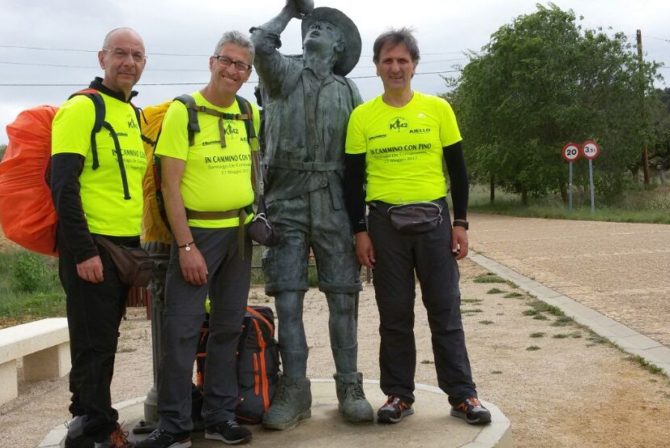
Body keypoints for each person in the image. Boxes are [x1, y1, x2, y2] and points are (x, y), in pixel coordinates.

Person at [344, 28, 492, 426]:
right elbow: (352, 180)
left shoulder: (439, 109)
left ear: (414, 66)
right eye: (388, 60)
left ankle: (463, 395)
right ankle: (398, 394)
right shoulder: (362, 117)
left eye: (403, 61)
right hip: (384, 224)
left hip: (435, 221)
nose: (396, 68)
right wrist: (360, 231)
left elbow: (458, 172)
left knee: (445, 311)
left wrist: (460, 223)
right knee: (394, 314)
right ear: (376, 67)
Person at [250, 1, 373, 430]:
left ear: (339, 46)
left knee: (344, 297)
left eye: (324, 27)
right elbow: (260, 43)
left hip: (335, 201)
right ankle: (294, 389)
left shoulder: (349, 90)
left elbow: (360, 159)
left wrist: (363, 220)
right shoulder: (283, 75)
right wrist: (289, 10)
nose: (314, 29)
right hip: (286, 202)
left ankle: (349, 386)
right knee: (288, 300)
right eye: (312, 25)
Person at [137, 31, 259, 448]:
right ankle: (173, 426)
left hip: (239, 235)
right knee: (182, 331)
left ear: (248, 73)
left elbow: (253, 170)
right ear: (212, 61)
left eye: (241, 65)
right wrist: (185, 245)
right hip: (197, 235)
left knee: (227, 327)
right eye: (226, 60)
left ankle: (220, 415)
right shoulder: (183, 111)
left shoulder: (249, 112)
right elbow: (169, 187)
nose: (232, 69)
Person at [51, 28, 147, 448]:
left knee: (105, 340)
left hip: (128, 245)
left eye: (137, 56)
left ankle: (96, 424)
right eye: (120, 54)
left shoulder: (134, 114)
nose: (129, 62)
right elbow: (62, 186)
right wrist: (83, 251)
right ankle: (92, 429)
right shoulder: (81, 109)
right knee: (93, 344)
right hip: (93, 246)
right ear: (102, 58)